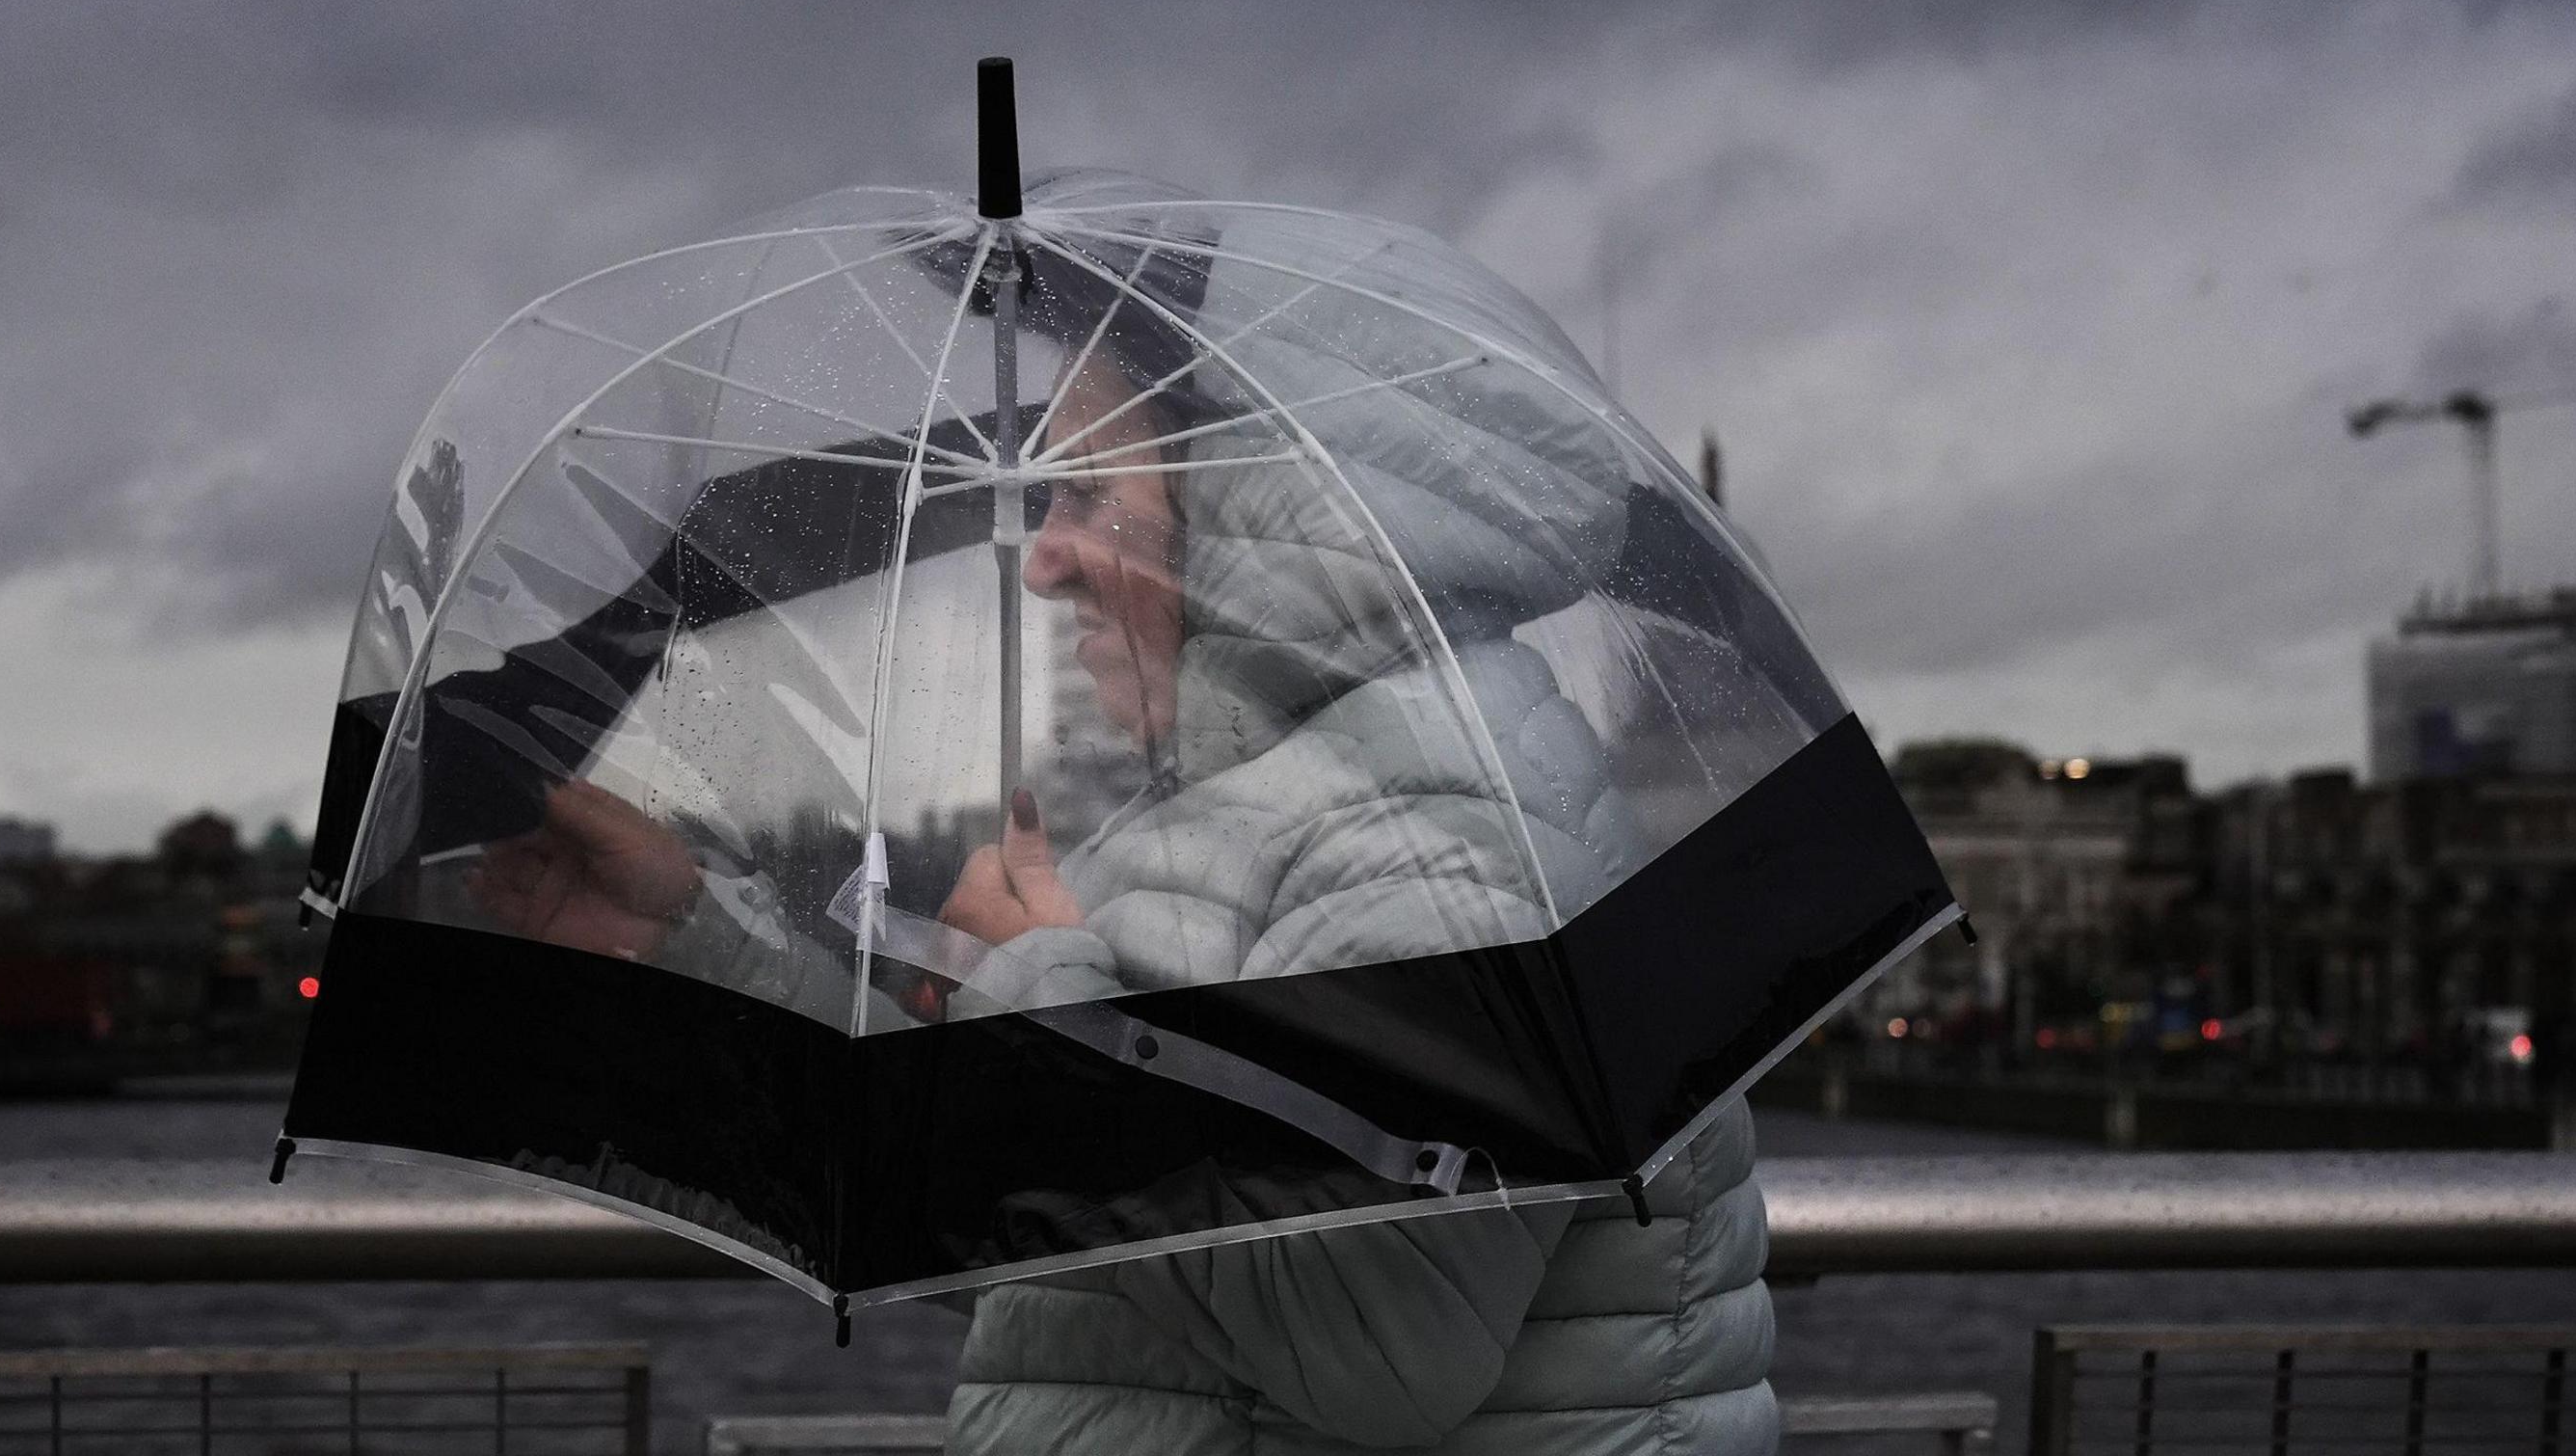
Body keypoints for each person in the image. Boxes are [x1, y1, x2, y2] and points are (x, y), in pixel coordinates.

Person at [476, 324, 1778, 1455]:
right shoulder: (1269, 805)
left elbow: (1378, 1350)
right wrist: (697, 941)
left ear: (1256, 509)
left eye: (1089, 491)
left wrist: (1043, 1011)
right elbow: (1075, 1251)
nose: (1045, 560)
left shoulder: (1435, 832)